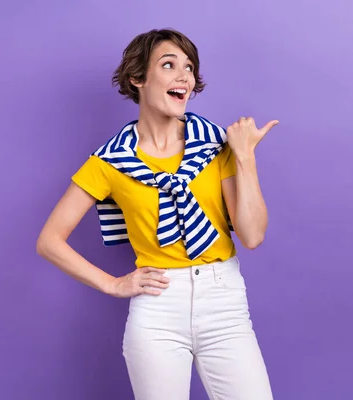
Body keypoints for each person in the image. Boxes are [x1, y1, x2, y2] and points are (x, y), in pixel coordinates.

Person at [36, 28, 277, 400]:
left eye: (189, 67)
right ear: (138, 78)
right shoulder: (110, 161)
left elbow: (252, 235)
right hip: (158, 308)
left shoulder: (215, 145)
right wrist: (113, 284)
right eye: (169, 65)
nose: (185, 76)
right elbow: (49, 241)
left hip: (224, 301)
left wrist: (245, 156)